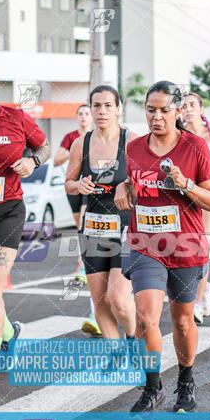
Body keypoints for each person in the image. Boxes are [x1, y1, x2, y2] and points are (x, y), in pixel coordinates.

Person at [115, 81, 210, 413]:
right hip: (145, 245)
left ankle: (186, 382)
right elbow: (134, 182)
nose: (156, 117)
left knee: (183, 322)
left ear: (177, 112)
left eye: (164, 110)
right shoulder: (133, 148)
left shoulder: (196, 147)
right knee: (146, 317)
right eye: (150, 110)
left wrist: (185, 184)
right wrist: (124, 187)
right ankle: (152, 386)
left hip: (185, 246)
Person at [0, 55, 50, 394]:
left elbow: (45, 148)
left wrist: (33, 161)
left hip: (4, 213)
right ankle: (9, 332)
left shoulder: (15, 118)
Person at [65, 85, 136, 339]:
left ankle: (131, 338)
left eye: (108, 105)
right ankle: (115, 353)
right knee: (100, 301)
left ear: (118, 109)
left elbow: (147, 183)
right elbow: (68, 184)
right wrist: (78, 185)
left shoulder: (132, 141)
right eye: (96, 105)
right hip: (93, 229)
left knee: (118, 298)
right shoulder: (80, 144)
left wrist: (127, 185)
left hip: (127, 229)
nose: (102, 111)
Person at [54, 104, 100, 336]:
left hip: (91, 187)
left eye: (86, 113)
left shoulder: (98, 135)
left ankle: (83, 264)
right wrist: (71, 151)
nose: (84, 117)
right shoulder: (71, 138)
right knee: (78, 225)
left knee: (84, 221)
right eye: (80, 113)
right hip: (74, 185)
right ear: (76, 117)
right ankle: (83, 261)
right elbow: (55, 161)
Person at [182, 92, 210, 324]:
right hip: (186, 195)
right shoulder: (178, 135)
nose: (188, 109)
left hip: (209, 196)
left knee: (202, 246)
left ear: (201, 109)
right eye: (184, 106)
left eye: (192, 105)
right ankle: (204, 287)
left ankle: (197, 302)